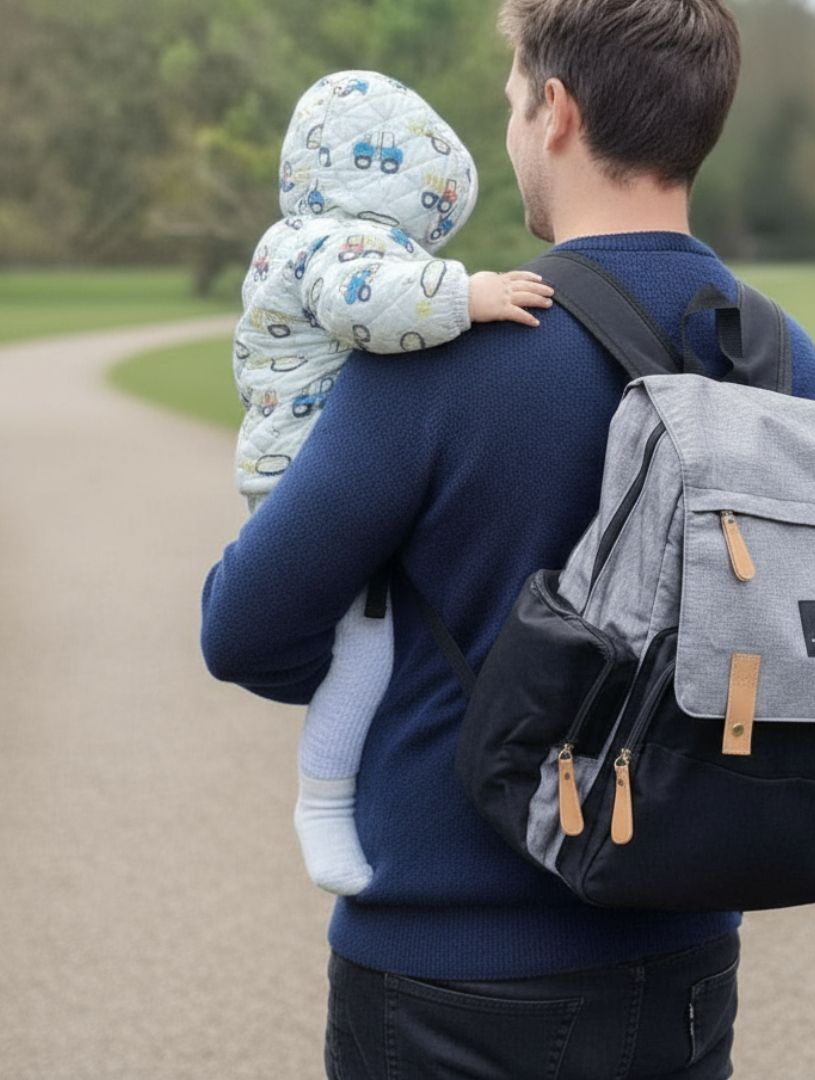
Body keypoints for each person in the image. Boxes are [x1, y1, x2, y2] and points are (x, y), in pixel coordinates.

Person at [201, 0, 815, 1075]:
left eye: (509, 105)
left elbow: (245, 631)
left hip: (449, 972)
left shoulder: (439, 360)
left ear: (557, 111)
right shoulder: (778, 356)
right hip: (685, 961)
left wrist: (377, 662)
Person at [233, 69, 553, 895]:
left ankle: (339, 793)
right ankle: (323, 801)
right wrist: (468, 293)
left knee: (371, 641)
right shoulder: (340, 249)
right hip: (311, 476)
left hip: (295, 466)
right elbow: (368, 304)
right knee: (365, 655)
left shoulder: (295, 237)